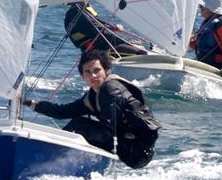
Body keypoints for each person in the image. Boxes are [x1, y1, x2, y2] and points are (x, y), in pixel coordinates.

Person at [24, 50, 159, 169]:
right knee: (79, 125)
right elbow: (62, 112)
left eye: (96, 70)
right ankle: (63, 162)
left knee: (79, 125)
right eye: (87, 72)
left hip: (137, 151)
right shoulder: (93, 95)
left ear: (106, 71)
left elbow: (109, 128)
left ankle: (50, 161)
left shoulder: (111, 89)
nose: (92, 75)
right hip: (128, 145)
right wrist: (30, 103)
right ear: (83, 77)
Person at [63, 2, 147, 56]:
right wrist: (128, 44)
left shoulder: (83, 9)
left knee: (141, 49)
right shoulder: (76, 13)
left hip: (103, 46)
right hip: (98, 51)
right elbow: (100, 33)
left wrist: (113, 28)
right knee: (141, 53)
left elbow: (99, 26)